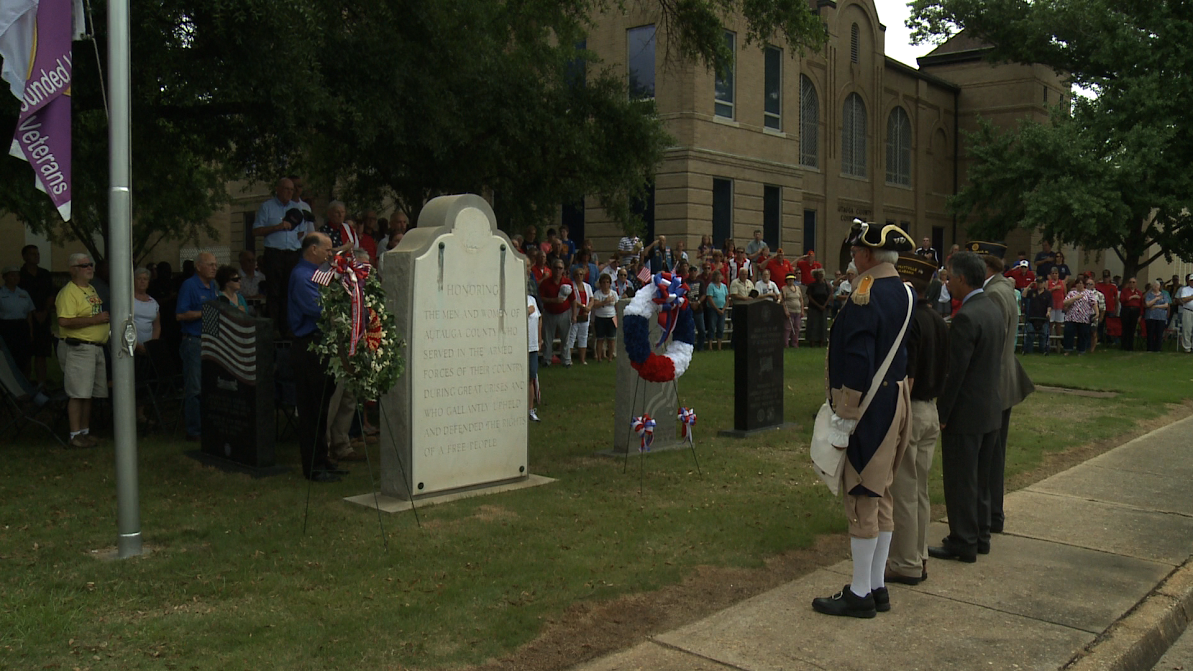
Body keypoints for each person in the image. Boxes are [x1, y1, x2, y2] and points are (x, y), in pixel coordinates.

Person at [811, 221, 914, 619]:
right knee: (881, 491)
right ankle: (876, 585)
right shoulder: (905, 290)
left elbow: (857, 358)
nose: (853, 256)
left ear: (869, 255)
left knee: (861, 495)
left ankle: (859, 593)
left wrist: (843, 414)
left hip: (869, 405)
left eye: (857, 251)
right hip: (897, 397)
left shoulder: (864, 294)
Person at [930, 251, 1005, 564]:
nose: (947, 281)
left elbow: (955, 372)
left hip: (966, 412)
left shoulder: (966, 317)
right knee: (981, 479)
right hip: (990, 408)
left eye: (949, 275)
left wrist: (943, 413)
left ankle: (963, 540)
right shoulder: (992, 308)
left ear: (961, 278)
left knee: (962, 480)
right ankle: (981, 535)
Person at [886, 253, 949, 586]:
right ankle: (920, 554)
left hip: (912, 408)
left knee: (904, 491)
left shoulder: (909, 321)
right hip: (931, 409)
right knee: (920, 490)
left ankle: (905, 562)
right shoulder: (939, 320)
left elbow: (907, 376)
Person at [977, 246, 1034, 535]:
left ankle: (989, 516)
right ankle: (993, 514)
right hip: (1005, 380)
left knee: (989, 457)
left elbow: (991, 345)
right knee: (994, 455)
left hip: (995, 383)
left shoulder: (995, 294)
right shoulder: (1004, 289)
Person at [289, 233, 346, 482]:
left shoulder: (315, 273)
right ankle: (312, 466)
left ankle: (323, 459)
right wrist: (342, 305)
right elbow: (317, 308)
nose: (330, 254)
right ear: (313, 249)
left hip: (323, 345)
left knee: (322, 408)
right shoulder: (302, 276)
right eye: (326, 250)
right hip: (309, 344)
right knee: (311, 409)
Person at [56, 253, 110, 449]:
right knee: (78, 393)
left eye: (91, 265)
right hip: (78, 348)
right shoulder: (68, 293)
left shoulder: (91, 289)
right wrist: (95, 321)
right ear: (73, 270)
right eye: (85, 265)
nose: (90, 268)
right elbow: (64, 321)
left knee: (88, 394)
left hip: (95, 348)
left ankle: (85, 433)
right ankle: (74, 434)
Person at [254, 178, 310, 333]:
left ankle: (287, 328)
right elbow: (256, 230)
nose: (289, 192)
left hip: (292, 254)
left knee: (289, 291)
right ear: (277, 189)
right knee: (274, 292)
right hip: (274, 253)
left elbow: (301, 231)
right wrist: (277, 228)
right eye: (286, 189)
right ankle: (273, 329)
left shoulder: (296, 208)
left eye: (292, 190)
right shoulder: (267, 207)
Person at [175, 252, 220, 441]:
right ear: (199, 267)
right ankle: (194, 430)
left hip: (212, 342)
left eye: (215, 264)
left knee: (210, 386)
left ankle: (209, 426)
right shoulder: (189, 286)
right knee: (195, 388)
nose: (214, 267)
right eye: (210, 264)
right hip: (194, 341)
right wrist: (204, 313)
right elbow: (180, 315)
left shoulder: (214, 287)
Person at [18, 245, 53, 386]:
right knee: (25, 355)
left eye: (37, 253)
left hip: (43, 318)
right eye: (32, 254)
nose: (36, 256)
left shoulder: (45, 274)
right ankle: (24, 385)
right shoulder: (20, 275)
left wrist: (45, 311)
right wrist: (32, 313)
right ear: (25, 257)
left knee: (41, 354)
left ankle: (41, 385)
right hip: (26, 319)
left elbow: (51, 294)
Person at [132, 267, 161, 428]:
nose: (142, 281)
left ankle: (140, 414)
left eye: (145, 279)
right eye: (139, 278)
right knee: (132, 381)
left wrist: (152, 345)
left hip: (148, 350)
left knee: (145, 381)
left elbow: (157, 325)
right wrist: (136, 345)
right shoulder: (128, 300)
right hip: (132, 348)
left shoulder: (153, 303)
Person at [0, 266, 36, 376]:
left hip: (22, 326)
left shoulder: (24, 293)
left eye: (17, 275)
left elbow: (29, 314)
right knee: (8, 358)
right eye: (12, 275)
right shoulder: (1, 293)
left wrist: (30, 331)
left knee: (24, 358)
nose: (15, 277)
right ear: (5, 277)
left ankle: (25, 384)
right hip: (7, 327)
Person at [538, 259, 573, 367]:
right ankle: (547, 359)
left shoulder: (568, 282)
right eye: (556, 267)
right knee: (548, 338)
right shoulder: (545, 283)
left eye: (560, 268)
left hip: (564, 312)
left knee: (565, 338)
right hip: (549, 312)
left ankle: (566, 361)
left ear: (563, 270)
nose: (558, 270)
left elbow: (573, 299)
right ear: (552, 269)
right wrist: (553, 300)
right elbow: (540, 298)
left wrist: (574, 314)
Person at [565, 267, 593, 366]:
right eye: (577, 274)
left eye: (581, 274)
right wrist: (582, 306)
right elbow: (571, 299)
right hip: (575, 314)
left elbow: (591, 298)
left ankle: (582, 359)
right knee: (571, 337)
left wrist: (588, 308)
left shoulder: (587, 286)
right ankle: (568, 359)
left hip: (585, 315)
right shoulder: (571, 286)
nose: (579, 276)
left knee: (583, 337)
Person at [1062, 277, 1096, 354]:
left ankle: (1081, 350)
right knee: (1069, 333)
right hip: (1071, 317)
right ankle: (1068, 349)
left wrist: (1097, 313)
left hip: (1084, 317)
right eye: (1078, 283)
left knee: (1083, 334)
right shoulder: (1071, 293)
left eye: (1081, 283)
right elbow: (1065, 303)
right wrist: (1075, 298)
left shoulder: (1089, 293)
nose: (1080, 285)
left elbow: (1094, 303)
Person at [592, 274, 618, 361]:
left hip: (612, 317)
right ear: (600, 284)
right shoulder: (597, 293)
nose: (605, 284)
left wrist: (618, 316)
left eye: (607, 282)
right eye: (603, 282)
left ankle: (610, 357)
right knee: (600, 339)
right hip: (600, 317)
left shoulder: (614, 293)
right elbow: (595, 305)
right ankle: (599, 357)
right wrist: (605, 301)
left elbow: (617, 306)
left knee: (611, 339)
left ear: (610, 284)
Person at [1023, 277, 1052, 354]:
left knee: (1043, 335)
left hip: (1043, 318)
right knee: (1030, 335)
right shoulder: (1032, 292)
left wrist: (1048, 312)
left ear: (1044, 283)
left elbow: (1050, 305)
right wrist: (1029, 286)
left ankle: (1042, 351)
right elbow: (1024, 294)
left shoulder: (1048, 294)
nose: (1039, 284)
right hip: (1032, 317)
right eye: (1038, 283)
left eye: (1041, 283)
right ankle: (1029, 351)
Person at [527, 280, 542, 422]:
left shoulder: (531, 299)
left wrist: (540, 339)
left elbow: (538, 319)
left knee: (531, 377)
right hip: (520, 346)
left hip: (532, 345)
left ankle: (530, 410)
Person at [1143, 280, 1172, 353]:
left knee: (1159, 333)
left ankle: (1158, 348)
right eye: (1154, 285)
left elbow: (1166, 305)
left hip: (1161, 317)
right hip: (1150, 316)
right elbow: (1148, 304)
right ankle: (1150, 348)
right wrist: (1156, 298)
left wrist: (1156, 306)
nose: (1155, 287)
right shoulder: (1149, 295)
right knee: (1150, 332)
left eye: (1157, 285)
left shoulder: (1164, 295)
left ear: (1159, 287)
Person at [804, 268, 831, 346]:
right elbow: (809, 296)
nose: (820, 277)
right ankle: (812, 341)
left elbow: (829, 295)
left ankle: (822, 341)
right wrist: (818, 305)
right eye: (818, 275)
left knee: (822, 325)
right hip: (814, 307)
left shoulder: (826, 285)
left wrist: (824, 305)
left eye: (821, 275)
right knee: (813, 324)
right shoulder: (812, 285)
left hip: (823, 308)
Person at [704, 270, 727, 350]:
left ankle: (719, 346)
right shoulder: (711, 286)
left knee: (720, 327)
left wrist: (723, 309)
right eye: (717, 277)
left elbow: (727, 298)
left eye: (719, 276)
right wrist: (717, 309)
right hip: (713, 309)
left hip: (722, 309)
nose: (718, 278)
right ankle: (710, 346)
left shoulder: (724, 286)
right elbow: (710, 298)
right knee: (712, 326)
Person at [780, 273, 804, 348]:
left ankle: (795, 343)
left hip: (797, 311)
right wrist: (785, 310)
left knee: (796, 327)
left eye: (792, 280)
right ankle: (785, 344)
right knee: (787, 328)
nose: (791, 281)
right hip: (789, 310)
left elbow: (801, 300)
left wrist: (802, 310)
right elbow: (783, 300)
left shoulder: (798, 288)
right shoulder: (784, 288)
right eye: (789, 280)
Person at [1119, 277, 1143, 351]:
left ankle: (1130, 346)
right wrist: (1132, 297)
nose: (1132, 284)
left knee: (1132, 329)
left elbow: (1141, 304)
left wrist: (1140, 315)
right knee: (1125, 328)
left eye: (1133, 282)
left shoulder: (1139, 292)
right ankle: (1124, 345)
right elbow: (1122, 300)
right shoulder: (1124, 291)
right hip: (1126, 310)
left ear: (1136, 283)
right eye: (1130, 282)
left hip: (1135, 311)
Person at [1046, 267, 1067, 338]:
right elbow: (1046, 293)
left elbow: (1065, 294)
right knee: (1050, 323)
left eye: (1056, 273)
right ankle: (1048, 340)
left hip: (1060, 305)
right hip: (1051, 306)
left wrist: (1065, 305)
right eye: (1053, 273)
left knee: (1059, 323)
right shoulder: (1048, 282)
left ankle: (1058, 341)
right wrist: (1053, 288)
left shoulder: (1062, 282)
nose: (1054, 275)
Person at [1175, 274, 1193, 353]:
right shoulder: (1185, 289)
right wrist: (1192, 297)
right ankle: (1187, 347)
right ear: (1189, 281)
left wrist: (1189, 297)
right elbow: (1183, 299)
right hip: (1187, 310)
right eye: (1191, 280)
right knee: (1187, 329)